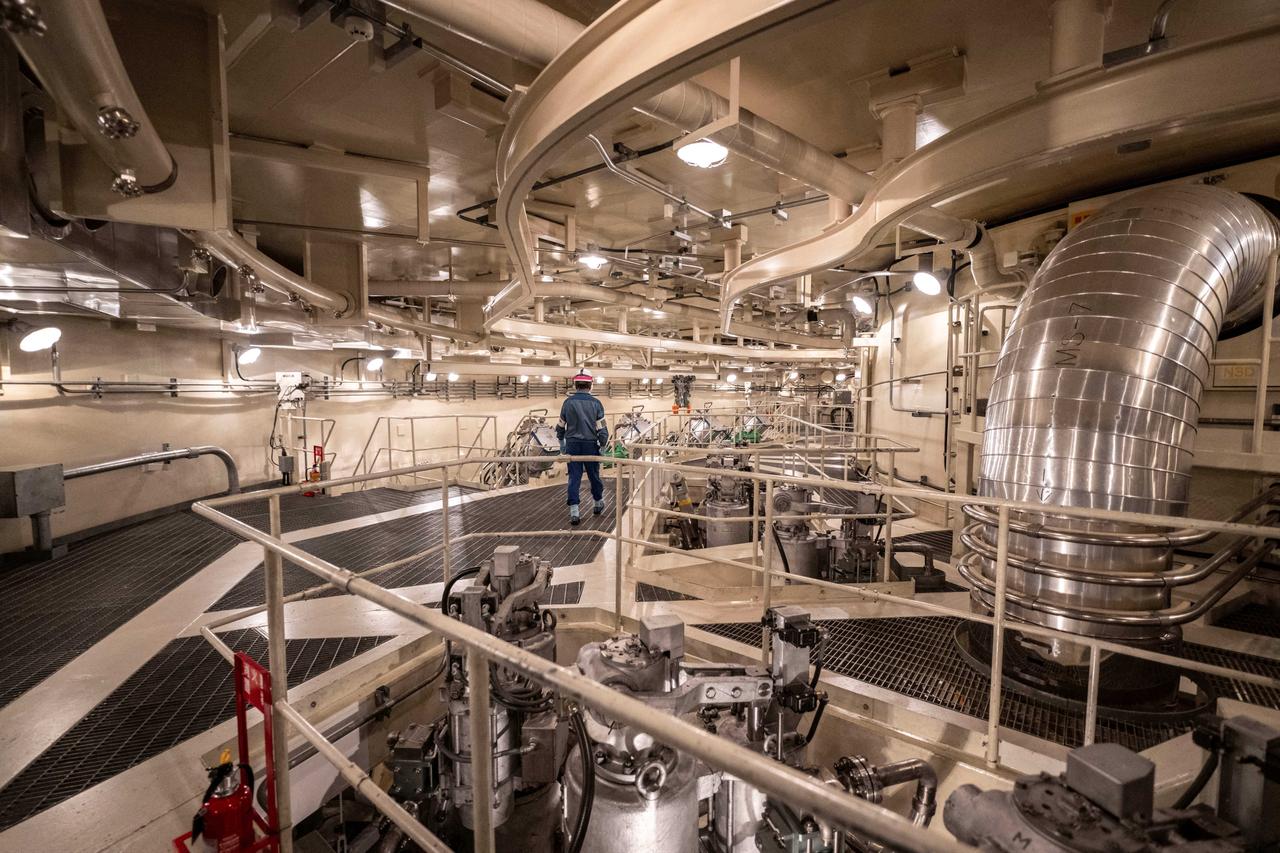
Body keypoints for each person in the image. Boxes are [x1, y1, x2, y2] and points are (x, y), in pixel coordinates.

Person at [556, 371, 608, 525]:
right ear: (591, 385)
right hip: (590, 445)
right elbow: (602, 429)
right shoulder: (596, 404)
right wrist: (603, 445)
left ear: (575, 385)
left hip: (572, 444)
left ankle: (574, 511)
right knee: (594, 475)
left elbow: (560, 425)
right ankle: (598, 502)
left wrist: (562, 443)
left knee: (574, 477)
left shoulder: (567, 403)